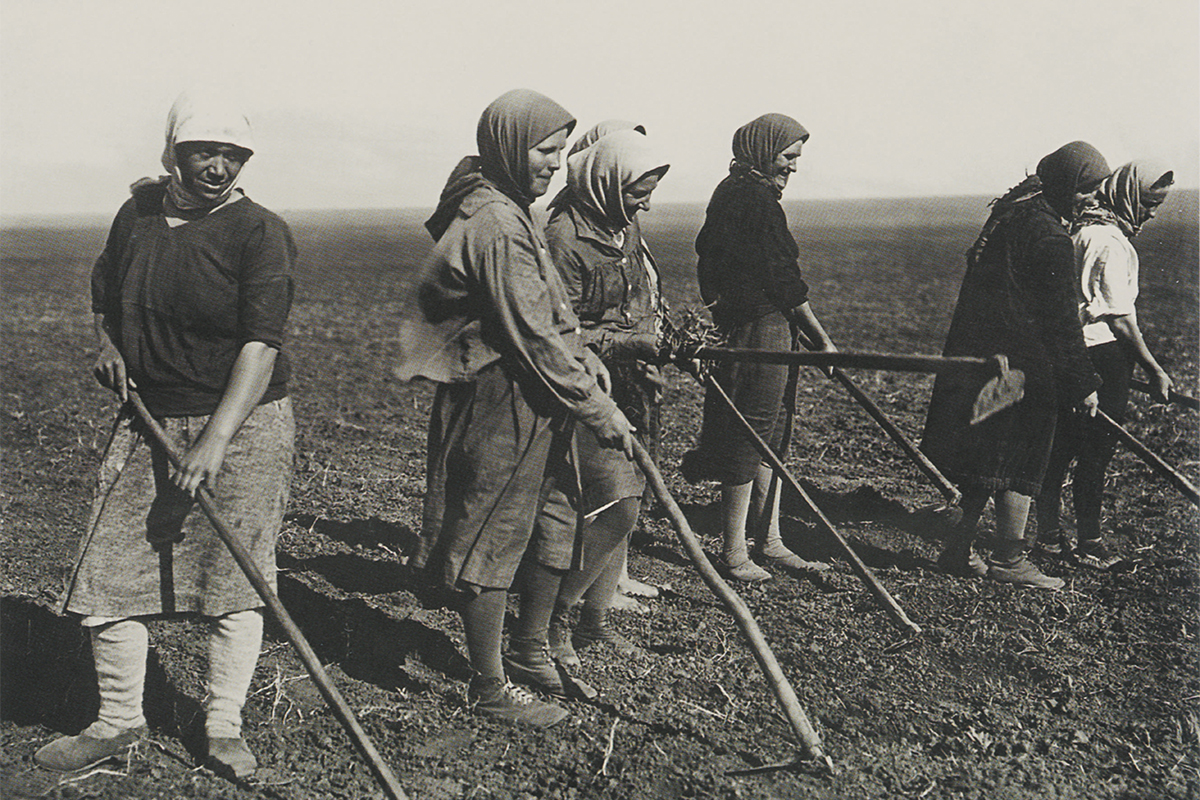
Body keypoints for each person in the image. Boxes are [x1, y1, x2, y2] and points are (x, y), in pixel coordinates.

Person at [35, 91, 296, 779]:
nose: (217, 166)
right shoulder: (138, 216)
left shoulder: (259, 232)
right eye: (202, 151)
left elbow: (261, 346)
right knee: (109, 573)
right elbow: (107, 296)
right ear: (174, 151)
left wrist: (213, 441)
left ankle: (223, 727)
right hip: (148, 417)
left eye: (232, 155)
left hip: (243, 425)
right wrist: (108, 344)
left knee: (234, 578)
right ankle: (118, 720)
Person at [398, 89, 635, 726]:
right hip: (500, 398)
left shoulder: (505, 206)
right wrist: (597, 408)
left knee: (543, 516)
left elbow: (544, 313)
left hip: (528, 392)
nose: (556, 164)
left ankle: (527, 652)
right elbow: (528, 332)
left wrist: (583, 353)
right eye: (546, 150)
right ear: (508, 144)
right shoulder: (498, 222)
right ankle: (487, 686)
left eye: (562, 152)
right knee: (495, 531)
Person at [509, 127, 670, 676]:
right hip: (580, 386)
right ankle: (552, 621)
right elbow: (558, 331)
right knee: (611, 505)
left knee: (625, 503)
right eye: (635, 192)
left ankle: (591, 623)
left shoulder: (621, 224)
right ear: (604, 181)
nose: (644, 202)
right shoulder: (564, 237)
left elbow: (640, 297)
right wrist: (630, 342)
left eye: (648, 191)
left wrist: (664, 343)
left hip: (629, 381)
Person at [922, 141, 1110, 589]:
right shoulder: (1048, 235)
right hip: (1025, 362)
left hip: (987, 355)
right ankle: (1009, 558)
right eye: (1087, 190)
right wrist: (1083, 382)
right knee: (1026, 456)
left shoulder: (1014, 211)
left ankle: (958, 550)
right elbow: (1061, 321)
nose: (1093, 200)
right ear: (1066, 183)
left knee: (983, 453)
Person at [681, 113, 837, 582]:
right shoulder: (753, 198)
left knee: (770, 431)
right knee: (753, 432)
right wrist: (822, 339)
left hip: (758, 321)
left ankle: (768, 541)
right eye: (788, 156)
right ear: (764, 150)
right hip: (761, 325)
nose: (792, 167)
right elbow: (782, 278)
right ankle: (734, 551)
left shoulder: (734, 191)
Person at [1036, 161, 1175, 569]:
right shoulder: (1110, 241)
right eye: (1148, 203)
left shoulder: (1079, 228)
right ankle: (1090, 545)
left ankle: (1047, 537)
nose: (1150, 213)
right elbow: (1120, 319)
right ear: (1128, 194)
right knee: (1095, 453)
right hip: (1102, 355)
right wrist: (1153, 369)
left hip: (1067, 353)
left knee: (1059, 449)